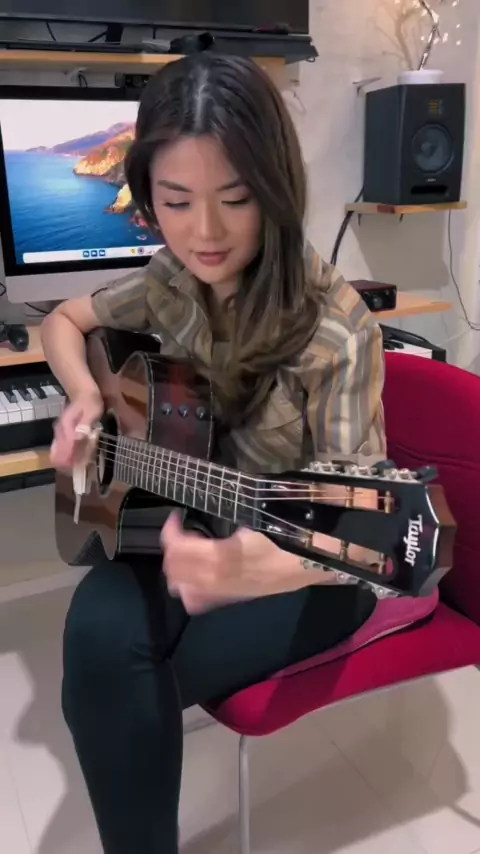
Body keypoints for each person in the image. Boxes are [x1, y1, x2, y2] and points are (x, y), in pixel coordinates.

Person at [42, 54, 386, 854]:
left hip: (314, 568)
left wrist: (259, 568)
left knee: (114, 685)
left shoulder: (335, 331)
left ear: (275, 187)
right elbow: (64, 321)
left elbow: (364, 534)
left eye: (235, 199)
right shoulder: (170, 280)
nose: (204, 232)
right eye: (175, 201)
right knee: (96, 640)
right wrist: (87, 398)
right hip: (193, 520)